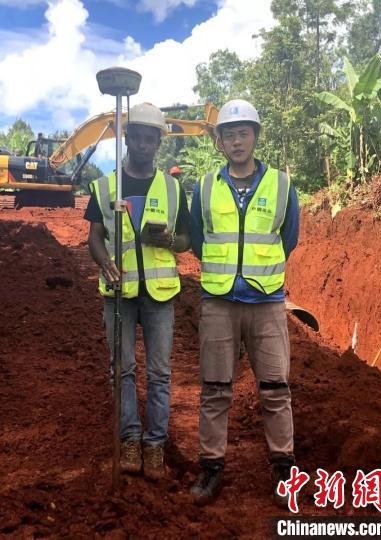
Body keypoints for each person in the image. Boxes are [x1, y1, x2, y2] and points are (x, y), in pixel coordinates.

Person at [189, 99, 299, 506]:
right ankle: (211, 468)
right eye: (228, 134)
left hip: (267, 303)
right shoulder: (204, 187)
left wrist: (256, 272)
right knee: (215, 389)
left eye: (243, 132)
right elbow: (200, 241)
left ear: (255, 135)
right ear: (219, 141)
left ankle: (283, 471)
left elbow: (289, 238)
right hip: (218, 301)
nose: (236, 141)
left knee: (275, 388)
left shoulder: (282, 186)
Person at [84, 102, 190, 480]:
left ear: (159, 142)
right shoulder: (105, 186)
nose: (144, 144)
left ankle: (155, 444)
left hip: (160, 294)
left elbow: (186, 240)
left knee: (159, 372)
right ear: (127, 139)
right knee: (122, 369)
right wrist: (103, 262)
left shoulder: (174, 189)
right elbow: (94, 237)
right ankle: (130, 438)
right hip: (118, 293)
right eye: (138, 137)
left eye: (151, 138)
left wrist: (171, 240)